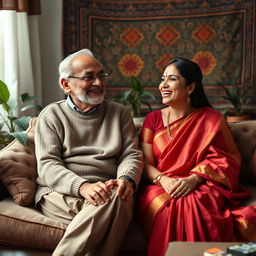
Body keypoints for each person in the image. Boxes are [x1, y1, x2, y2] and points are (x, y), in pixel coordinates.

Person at [137, 57, 256, 256]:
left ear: (190, 87)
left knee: (194, 202)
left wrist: (194, 178)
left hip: (202, 183)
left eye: (172, 79)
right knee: (168, 205)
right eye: (162, 78)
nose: (163, 85)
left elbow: (228, 160)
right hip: (160, 184)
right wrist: (163, 179)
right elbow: (146, 164)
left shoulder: (211, 119)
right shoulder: (152, 120)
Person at [34, 48, 143, 256]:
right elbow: (48, 165)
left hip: (109, 188)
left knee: (117, 194)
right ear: (66, 84)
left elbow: (132, 154)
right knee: (115, 205)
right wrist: (83, 187)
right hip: (60, 193)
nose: (99, 83)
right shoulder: (51, 115)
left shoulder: (119, 113)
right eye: (89, 77)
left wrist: (126, 178)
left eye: (101, 75)